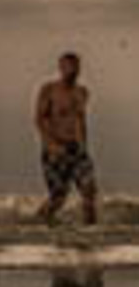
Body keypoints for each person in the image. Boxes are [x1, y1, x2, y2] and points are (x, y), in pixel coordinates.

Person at [35, 51, 98, 226]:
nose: (73, 70)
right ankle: (38, 223)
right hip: (55, 148)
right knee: (58, 197)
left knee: (90, 191)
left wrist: (84, 146)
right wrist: (51, 145)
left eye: (76, 66)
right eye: (68, 67)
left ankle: (91, 232)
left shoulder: (82, 92)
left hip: (76, 149)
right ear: (61, 68)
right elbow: (40, 119)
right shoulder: (49, 89)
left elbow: (81, 120)